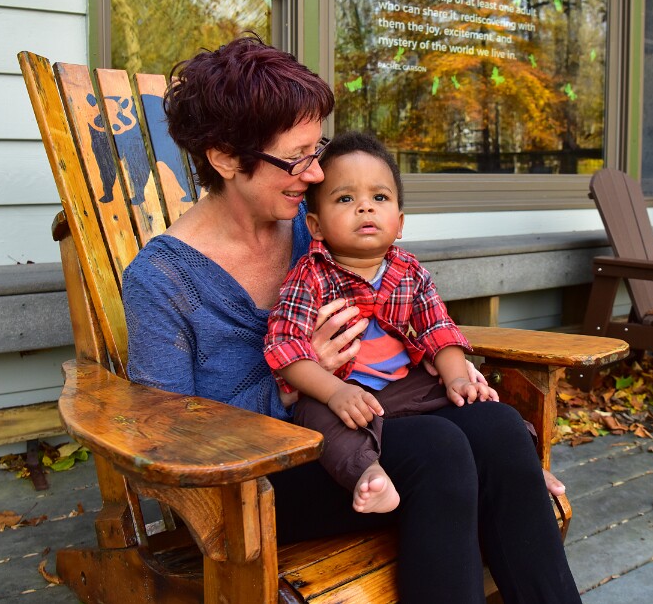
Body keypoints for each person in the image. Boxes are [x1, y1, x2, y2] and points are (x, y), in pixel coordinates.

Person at [122, 35, 581, 604]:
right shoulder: (161, 281)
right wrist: (294, 380)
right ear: (225, 158)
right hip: (258, 486)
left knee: (499, 430)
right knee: (437, 450)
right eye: (297, 158)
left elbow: (403, 296)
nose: (317, 174)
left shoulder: (313, 224)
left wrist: (459, 381)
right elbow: (167, 438)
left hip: (370, 432)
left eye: (317, 150)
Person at [264, 132, 497, 514]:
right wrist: (334, 392)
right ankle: (369, 475)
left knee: (478, 403)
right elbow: (285, 347)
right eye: (345, 199)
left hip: (404, 385)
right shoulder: (310, 276)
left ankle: (520, 467)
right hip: (342, 390)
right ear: (316, 226)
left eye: (380, 197)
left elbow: (437, 328)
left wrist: (456, 377)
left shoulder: (409, 271)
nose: (365, 208)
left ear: (399, 223)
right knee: (314, 415)